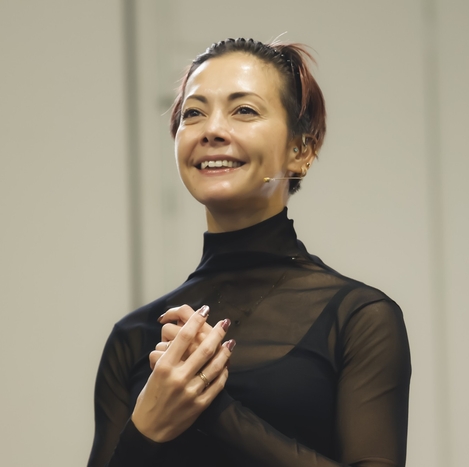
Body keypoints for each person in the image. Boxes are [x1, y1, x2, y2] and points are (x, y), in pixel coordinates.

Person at [88, 37, 411, 467]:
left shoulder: (359, 318)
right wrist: (145, 428)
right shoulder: (135, 336)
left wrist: (214, 409)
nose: (212, 130)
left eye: (244, 110)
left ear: (301, 150)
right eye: (193, 113)